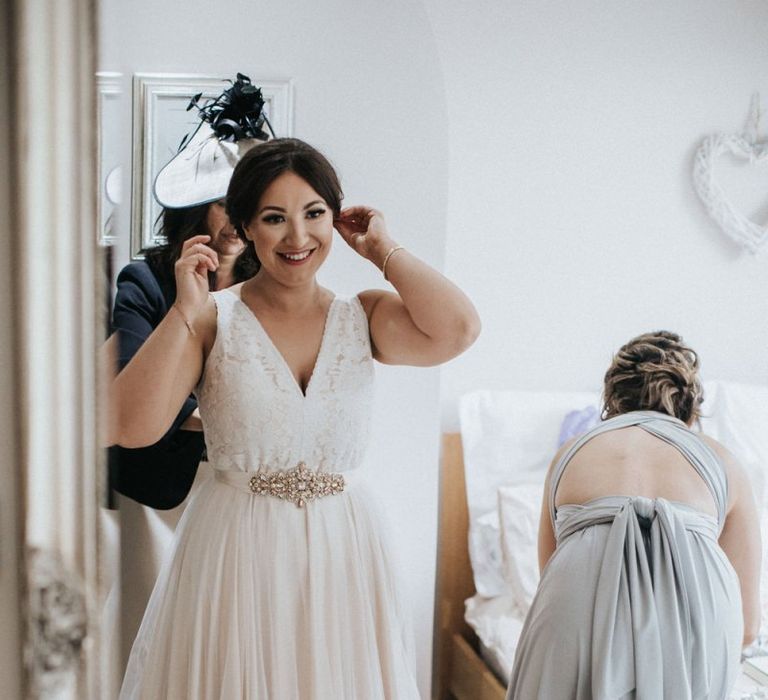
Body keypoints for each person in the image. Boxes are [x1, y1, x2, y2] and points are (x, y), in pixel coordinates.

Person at [113, 137, 481, 698]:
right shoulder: (213, 319)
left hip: (344, 549)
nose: (298, 237)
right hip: (236, 550)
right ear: (246, 226)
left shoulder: (365, 316)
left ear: (335, 219)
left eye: (314, 215)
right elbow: (131, 426)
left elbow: (458, 330)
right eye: (274, 218)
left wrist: (384, 250)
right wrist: (185, 312)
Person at [506, 331, 760, 699]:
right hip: (698, 624)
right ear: (689, 407)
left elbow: (551, 574)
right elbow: (749, 627)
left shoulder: (571, 454)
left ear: (612, 404)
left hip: (577, 610)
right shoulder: (723, 460)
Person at [109, 74, 269, 508]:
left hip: (247, 484)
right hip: (160, 482)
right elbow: (130, 379)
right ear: (198, 208)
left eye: (249, 208)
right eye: (224, 205)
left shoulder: (268, 287)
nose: (237, 222)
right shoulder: (144, 282)